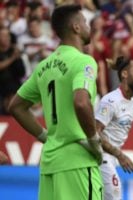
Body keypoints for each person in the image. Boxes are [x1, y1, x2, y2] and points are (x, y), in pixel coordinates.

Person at [8, 4, 104, 200]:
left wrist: (45, 136)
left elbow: (16, 106)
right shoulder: (83, 61)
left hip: (50, 164)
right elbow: (81, 103)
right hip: (77, 161)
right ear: (76, 27)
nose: (88, 26)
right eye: (85, 22)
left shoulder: (44, 66)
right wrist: (94, 141)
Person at [94, 56, 133, 199]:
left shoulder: (132, 103)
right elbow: (95, 133)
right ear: (125, 74)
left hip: (111, 158)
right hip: (100, 157)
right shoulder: (111, 101)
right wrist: (120, 155)